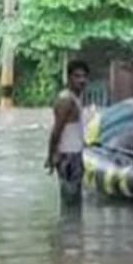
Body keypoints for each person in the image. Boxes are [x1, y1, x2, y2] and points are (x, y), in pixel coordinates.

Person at [46, 60, 90, 206]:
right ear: (69, 78)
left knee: (73, 201)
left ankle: (71, 228)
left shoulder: (75, 98)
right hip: (67, 156)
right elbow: (56, 130)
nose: (82, 80)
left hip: (74, 153)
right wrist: (51, 154)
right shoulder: (66, 101)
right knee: (71, 202)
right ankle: (69, 228)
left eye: (84, 76)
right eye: (77, 76)